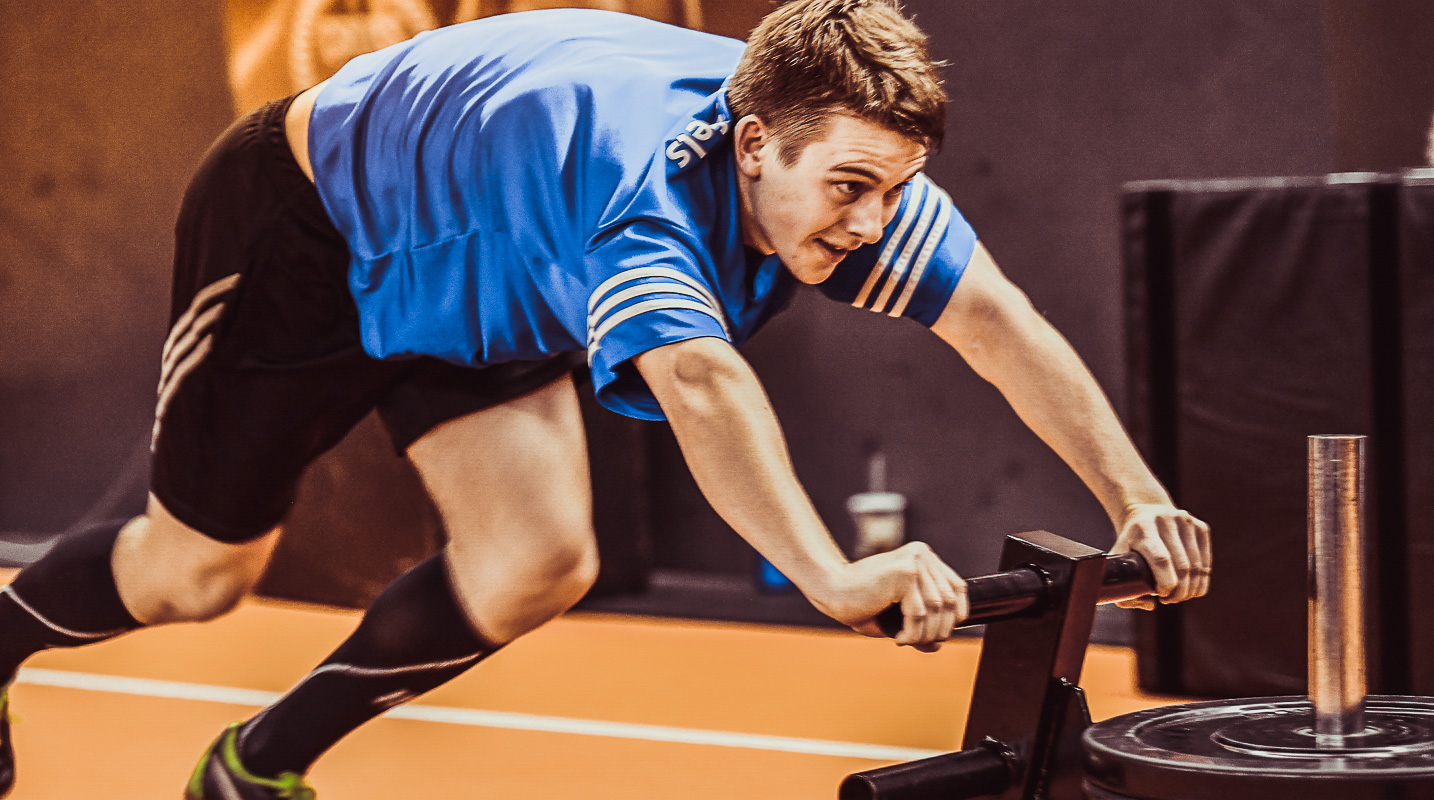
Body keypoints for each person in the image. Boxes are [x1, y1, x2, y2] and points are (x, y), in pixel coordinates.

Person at [0, 1, 1211, 797]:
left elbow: (998, 323)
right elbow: (699, 377)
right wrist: (835, 574)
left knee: (537, 558)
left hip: (497, 268)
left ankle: (252, 770)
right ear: (751, 145)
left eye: (892, 191)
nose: (871, 224)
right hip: (313, 231)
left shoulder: (849, 176)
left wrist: (1139, 494)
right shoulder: (640, 191)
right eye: (848, 188)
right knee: (194, 578)